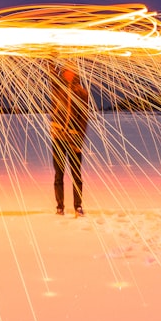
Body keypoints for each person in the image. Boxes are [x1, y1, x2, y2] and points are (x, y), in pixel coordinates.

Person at [48, 63, 90, 216]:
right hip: (58, 136)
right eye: (66, 71)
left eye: (71, 71)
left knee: (76, 174)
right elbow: (51, 74)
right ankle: (60, 207)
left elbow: (84, 117)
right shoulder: (58, 88)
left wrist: (79, 139)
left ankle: (78, 206)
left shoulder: (82, 92)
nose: (68, 73)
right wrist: (50, 57)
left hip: (74, 138)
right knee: (58, 174)